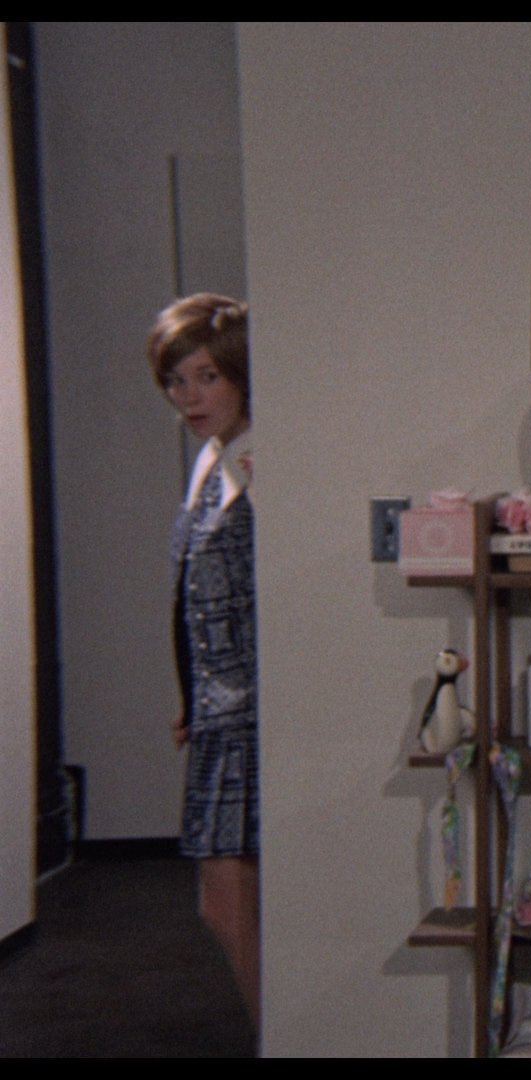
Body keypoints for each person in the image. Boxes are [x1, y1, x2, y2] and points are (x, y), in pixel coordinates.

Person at [148, 293, 259, 1031]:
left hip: (253, 710)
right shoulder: (211, 460)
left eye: (207, 377)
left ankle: (280, 1038)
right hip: (220, 713)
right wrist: (191, 697)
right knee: (229, 903)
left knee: (229, 903)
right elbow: (192, 592)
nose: (189, 397)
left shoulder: (260, 460)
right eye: (176, 381)